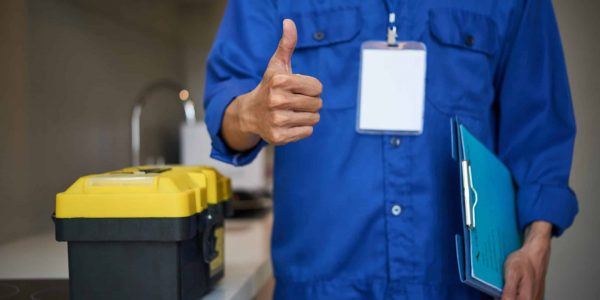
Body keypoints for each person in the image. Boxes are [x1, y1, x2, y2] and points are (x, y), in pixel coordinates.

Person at [203, 1, 578, 299]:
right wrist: (251, 113)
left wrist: (537, 242)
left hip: (463, 284)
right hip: (319, 286)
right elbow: (225, 106)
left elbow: (538, 124)